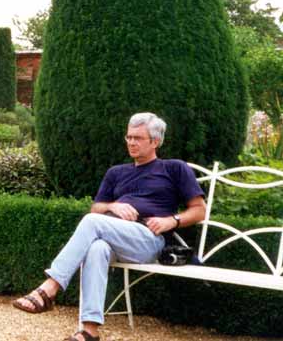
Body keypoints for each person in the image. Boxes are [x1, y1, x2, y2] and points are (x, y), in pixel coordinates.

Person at [12, 112, 206, 341]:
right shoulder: (116, 172)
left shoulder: (174, 168)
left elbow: (199, 210)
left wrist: (171, 221)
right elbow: (96, 208)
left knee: (92, 223)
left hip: (148, 238)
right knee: (97, 248)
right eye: (129, 137)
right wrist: (113, 206)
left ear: (155, 141)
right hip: (115, 235)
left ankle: (50, 288)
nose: (131, 142)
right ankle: (89, 332)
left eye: (138, 138)